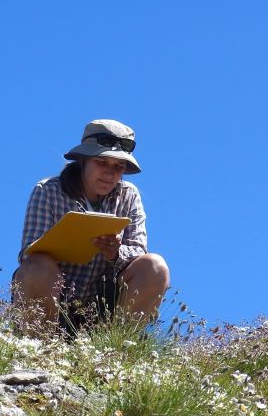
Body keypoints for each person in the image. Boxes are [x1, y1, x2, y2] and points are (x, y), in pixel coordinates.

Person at [12, 119, 170, 336]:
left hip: (105, 305)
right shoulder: (47, 190)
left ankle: (118, 347)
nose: (109, 173)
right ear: (83, 161)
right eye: (101, 162)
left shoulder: (129, 195)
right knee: (37, 265)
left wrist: (115, 253)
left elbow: (138, 250)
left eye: (118, 166)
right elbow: (28, 256)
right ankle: (39, 347)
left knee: (155, 266)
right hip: (56, 297)